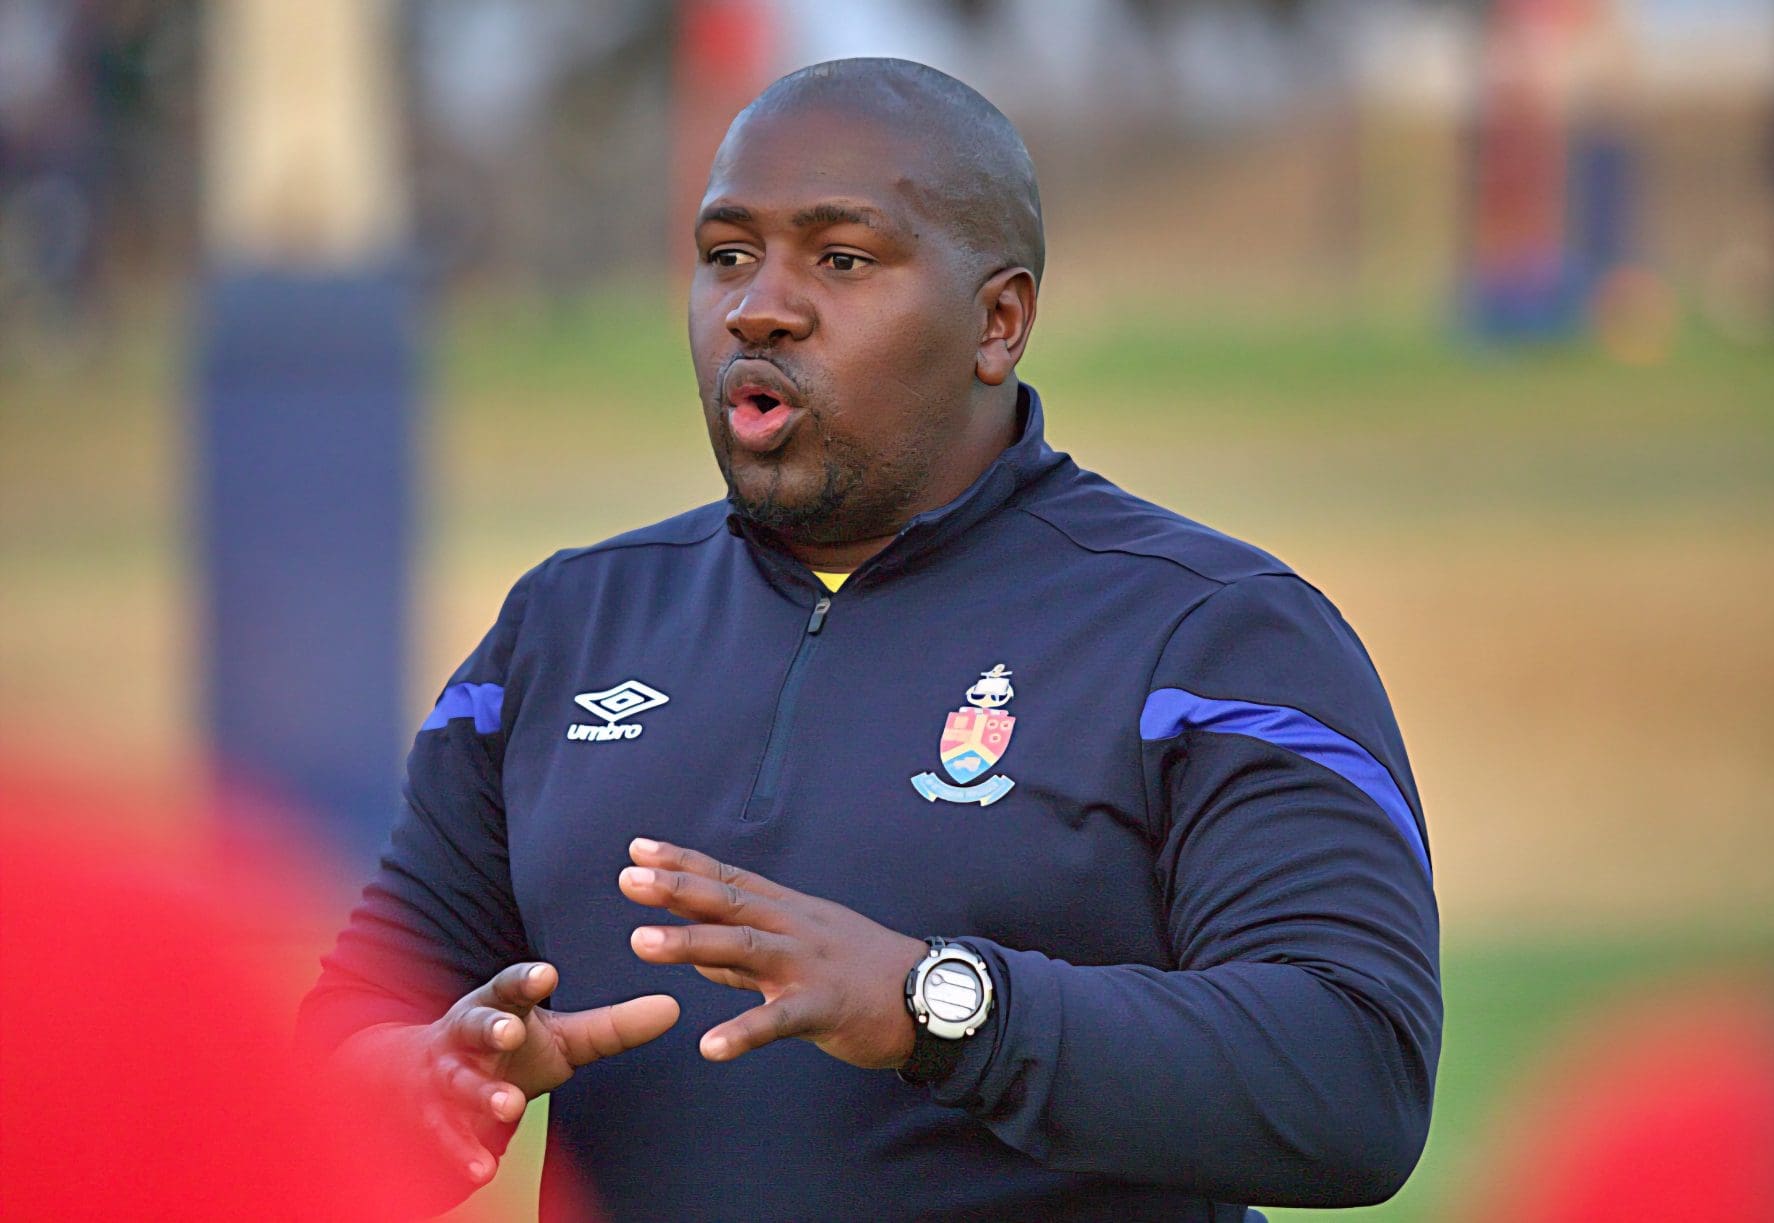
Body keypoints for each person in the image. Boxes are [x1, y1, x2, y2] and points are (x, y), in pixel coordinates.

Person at [300, 58, 1441, 1222]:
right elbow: (334, 1060)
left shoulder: (1210, 631)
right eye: (727, 254)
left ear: (999, 321)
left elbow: (1358, 1080)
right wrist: (423, 1083)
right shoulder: (564, 631)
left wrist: (935, 1002)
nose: (759, 306)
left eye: (841, 258)